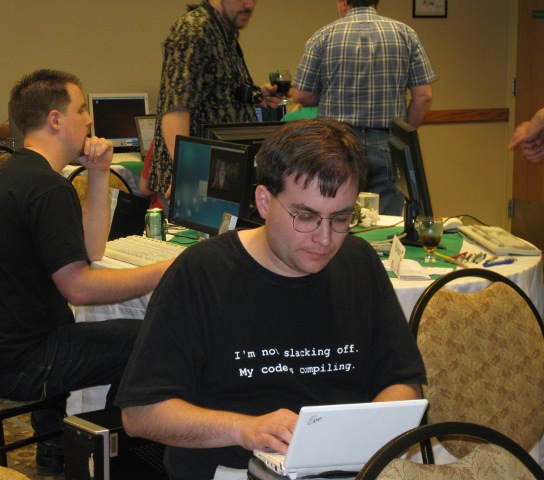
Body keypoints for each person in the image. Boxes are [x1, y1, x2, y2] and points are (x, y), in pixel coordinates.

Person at [117, 118, 427, 480]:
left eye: (341, 218)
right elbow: (141, 414)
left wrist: (365, 439)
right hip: (232, 469)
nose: (325, 239)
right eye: (306, 217)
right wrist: (244, 429)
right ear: (264, 202)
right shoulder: (201, 273)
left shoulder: (359, 262)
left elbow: (403, 382)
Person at [0, 69, 173, 476]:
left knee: (70, 326)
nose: (89, 119)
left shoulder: (12, 172)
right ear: (56, 120)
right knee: (147, 340)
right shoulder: (47, 188)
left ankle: (54, 447)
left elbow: (90, 251)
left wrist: (98, 172)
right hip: (8, 364)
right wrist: (165, 271)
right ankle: (110, 459)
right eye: (80, 110)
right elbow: (79, 288)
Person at [290, 0, 436, 215]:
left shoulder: (323, 36)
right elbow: (424, 96)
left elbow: (302, 94)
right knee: (385, 222)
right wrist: (402, 137)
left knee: (337, 215)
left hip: (336, 141)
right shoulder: (405, 34)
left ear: (343, 3)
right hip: (386, 142)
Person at [145, 0, 279, 208]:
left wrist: (255, 95)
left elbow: (218, 93)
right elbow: (175, 110)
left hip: (220, 176)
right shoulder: (193, 30)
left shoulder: (223, 33)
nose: (249, 5)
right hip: (198, 180)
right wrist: (186, 172)